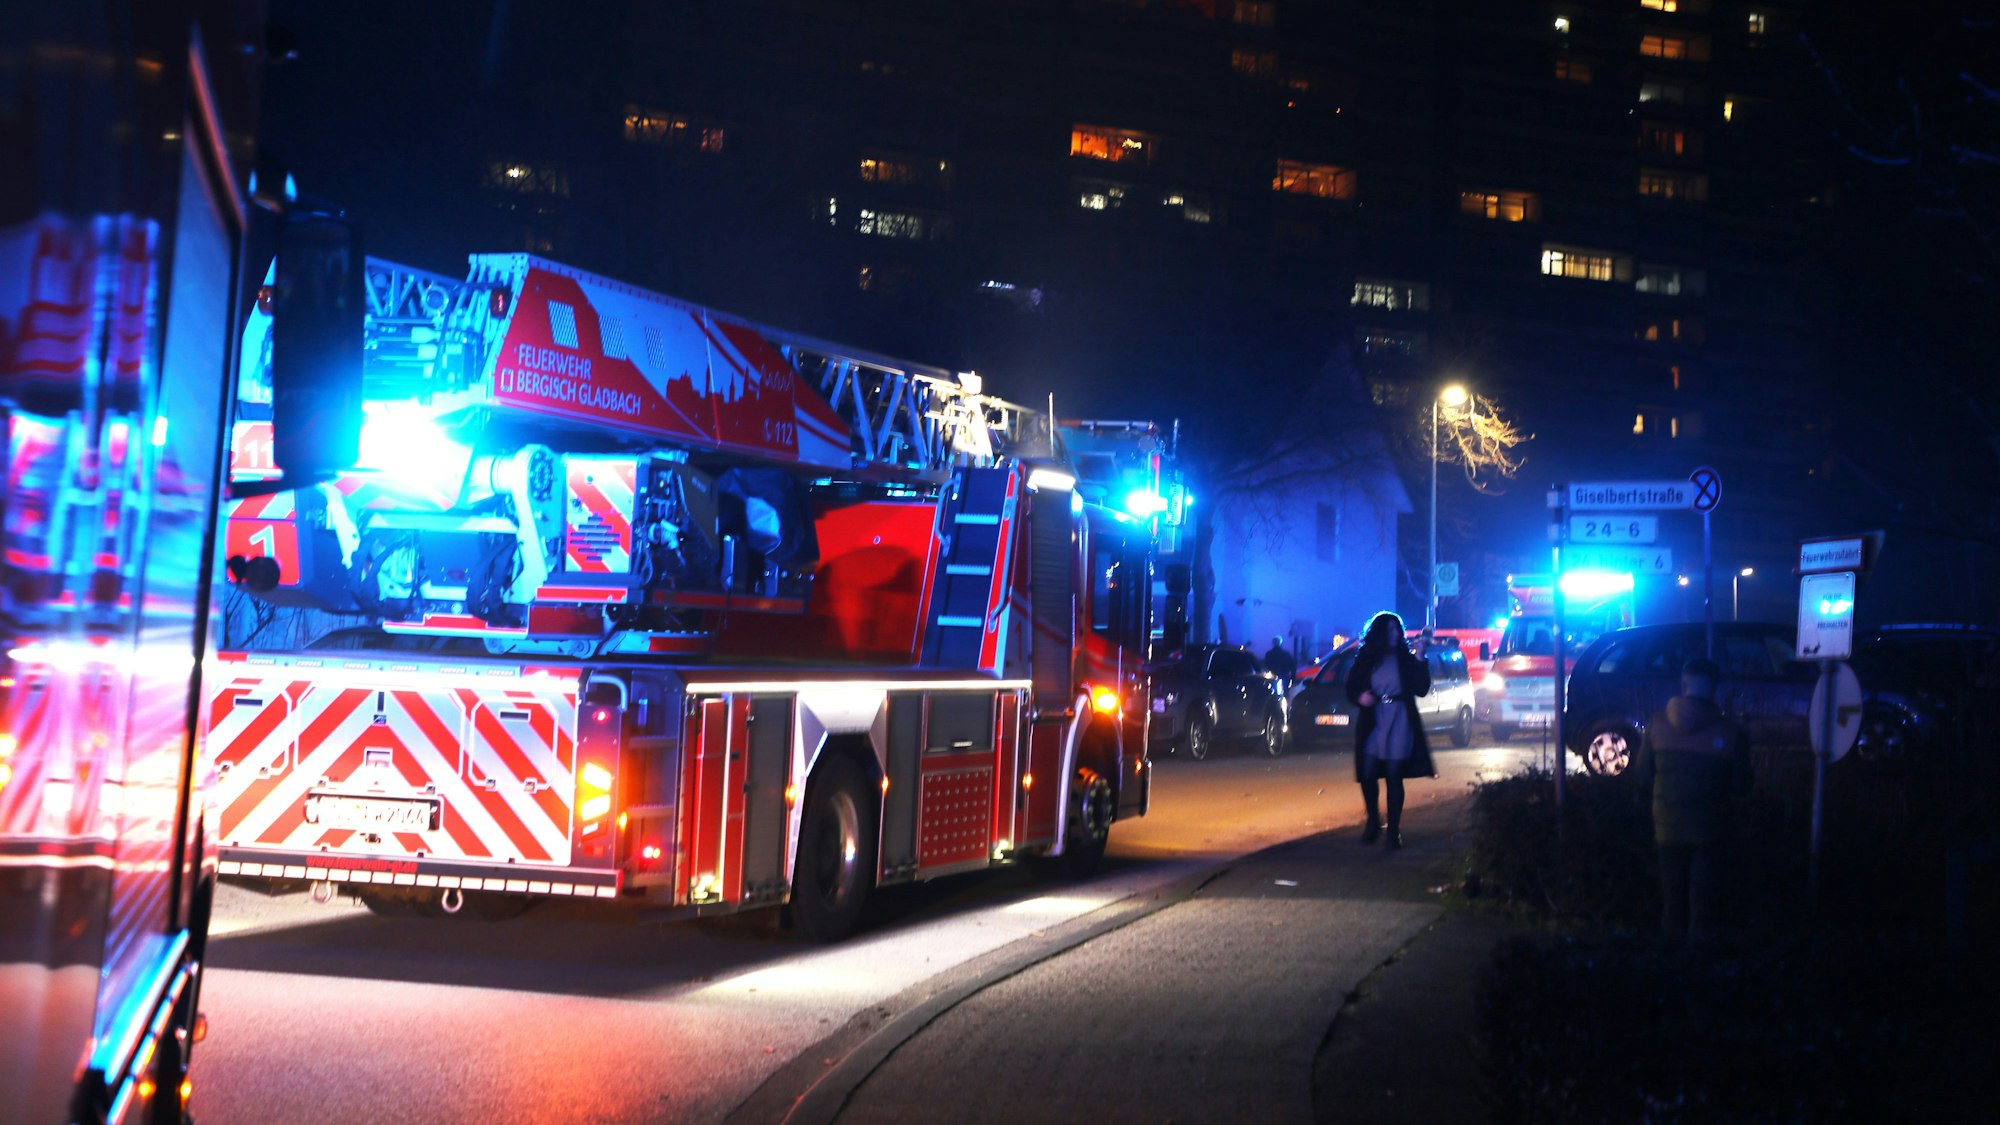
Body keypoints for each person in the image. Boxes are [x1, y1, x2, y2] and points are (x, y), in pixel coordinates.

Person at [1629, 657, 1753, 941]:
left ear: (1684, 685)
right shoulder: (1731, 733)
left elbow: (1643, 774)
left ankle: (1670, 954)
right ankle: (1699, 954)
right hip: (1710, 830)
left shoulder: (1657, 726)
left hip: (1666, 827)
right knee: (1703, 902)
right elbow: (1742, 786)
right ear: (1715, 688)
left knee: (1672, 898)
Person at [1344, 612, 1437, 849]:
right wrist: (1360, 697)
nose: (1395, 634)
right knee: (1368, 771)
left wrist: (1420, 657)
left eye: (1397, 629)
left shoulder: (1405, 658)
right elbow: (1351, 686)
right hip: (1374, 718)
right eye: (1390, 630)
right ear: (1379, 634)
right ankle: (1373, 820)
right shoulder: (1367, 657)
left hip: (1400, 718)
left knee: (1394, 774)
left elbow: (1421, 688)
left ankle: (1393, 831)